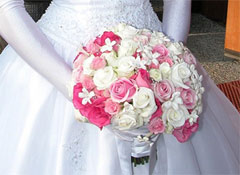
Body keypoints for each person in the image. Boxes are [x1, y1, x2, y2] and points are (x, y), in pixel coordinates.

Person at [0, 0, 239, 174]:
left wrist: (168, 68)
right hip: (60, 56)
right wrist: (75, 90)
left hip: (151, 50)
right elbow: (6, 6)